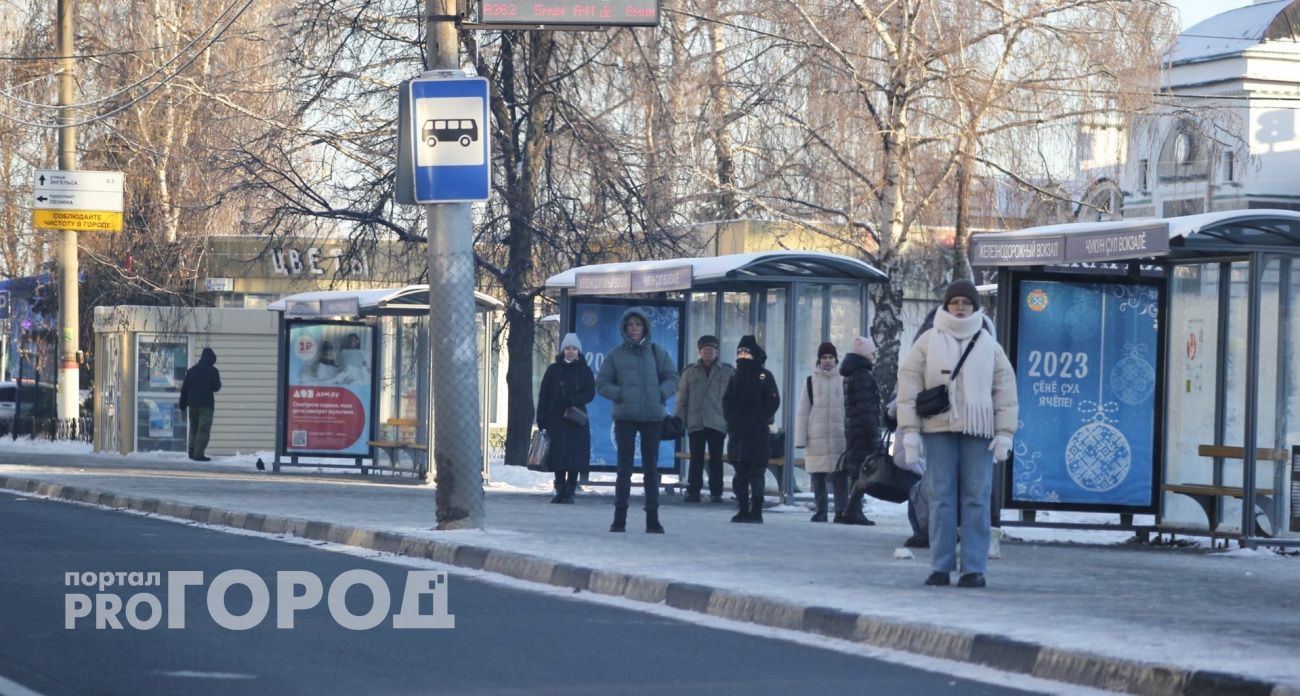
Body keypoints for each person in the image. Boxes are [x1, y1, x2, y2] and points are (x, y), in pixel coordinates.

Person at [897, 280, 1018, 589]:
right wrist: (910, 431)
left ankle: (974, 568)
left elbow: (1005, 391)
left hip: (979, 432)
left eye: (966, 302)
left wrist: (1005, 432)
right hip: (938, 428)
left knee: (977, 498)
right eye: (955, 302)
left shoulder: (989, 344)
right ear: (946, 305)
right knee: (940, 498)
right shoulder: (927, 340)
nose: (960, 307)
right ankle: (940, 566)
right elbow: (909, 387)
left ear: (975, 307)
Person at [595, 308, 679, 533]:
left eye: (638, 325)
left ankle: (653, 519)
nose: (634, 329)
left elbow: (673, 377)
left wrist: (660, 393)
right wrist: (620, 394)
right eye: (630, 325)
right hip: (626, 417)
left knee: (651, 469)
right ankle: (619, 519)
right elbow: (602, 382)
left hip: (653, 417)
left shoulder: (657, 352)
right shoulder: (616, 355)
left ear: (645, 328)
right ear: (624, 328)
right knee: (624, 469)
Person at [722, 335, 780, 524]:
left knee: (756, 474)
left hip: (757, 434)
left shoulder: (764, 376)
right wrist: (731, 420)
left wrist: (758, 418)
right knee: (740, 476)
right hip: (738, 434)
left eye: (747, 353)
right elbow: (726, 402)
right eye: (741, 353)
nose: (743, 357)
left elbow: (773, 401)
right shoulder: (735, 376)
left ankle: (756, 510)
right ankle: (743, 509)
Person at [675, 335, 735, 503]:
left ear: (717, 351)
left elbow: (734, 398)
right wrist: (679, 421)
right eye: (705, 349)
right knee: (696, 458)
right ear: (699, 351)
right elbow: (682, 399)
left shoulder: (728, 371)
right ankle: (693, 491)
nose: (708, 352)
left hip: (718, 421)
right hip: (696, 421)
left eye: (712, 349)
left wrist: (731, 421)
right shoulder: (690, 372)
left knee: (716, 458)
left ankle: (716, 492)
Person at [536, 333, 595, 504]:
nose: (570, 352)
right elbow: (544, 395)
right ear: (562, 351)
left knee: (574, 455)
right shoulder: (553, 370)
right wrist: (541, 418)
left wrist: (574, 400)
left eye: (574, 349)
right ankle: (559, 489)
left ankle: (570, 491)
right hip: (556, 417)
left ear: (579, 351)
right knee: (557, 454)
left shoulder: (585, 370)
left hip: (576, 418)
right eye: (568, 348)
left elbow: (590, 393)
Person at [794, 341, 847, 522]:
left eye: (830, 357)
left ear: (835, 359)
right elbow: (803, 412)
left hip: (840, 435)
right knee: (818, 476)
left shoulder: (844, 380)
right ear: (819, 359)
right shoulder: (810, 381)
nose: (827, 361)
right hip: (816, 436)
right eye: (824, 357)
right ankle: (821, 510)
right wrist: (800, 439)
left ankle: (841, 510)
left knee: (840, 476)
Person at [838, 335, 881, 525]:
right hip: (862, 431)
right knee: (863, 471)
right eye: (872, 352)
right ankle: (853, 510)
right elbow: (867, 409)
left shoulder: (853, 373)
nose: (874, 355)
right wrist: (874, 435)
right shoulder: (862, 374)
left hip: (854, 430)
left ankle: (853, 510)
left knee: (858, 471)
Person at [178, 347, 222, 462]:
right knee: (203, 429)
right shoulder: (213, 371)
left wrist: (182, 404)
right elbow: (216, 387)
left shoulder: (192, 371)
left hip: (192, 405)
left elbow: (185, 389)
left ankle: (191, 451)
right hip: (206, 405)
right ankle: (199, 454)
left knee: (194, 428)